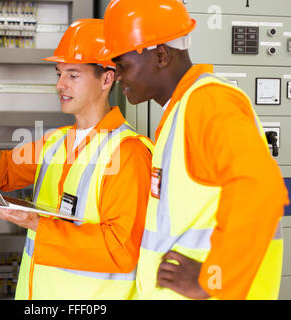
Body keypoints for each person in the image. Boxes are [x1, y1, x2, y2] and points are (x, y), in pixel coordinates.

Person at [99, 0, 289, 300]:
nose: (118, 77)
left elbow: (260, 188)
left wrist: (213, 279)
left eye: (123, 66)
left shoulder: (209, 103)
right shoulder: (180, 111)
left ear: (160, 55)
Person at [0, 18, 153, 299]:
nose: (60, 85)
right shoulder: (56, 141)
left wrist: (36, 223)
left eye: (73, 75)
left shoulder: (129, 152)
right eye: (59, 74)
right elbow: (5, 171)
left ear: (107, 78)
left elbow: (120, 250)